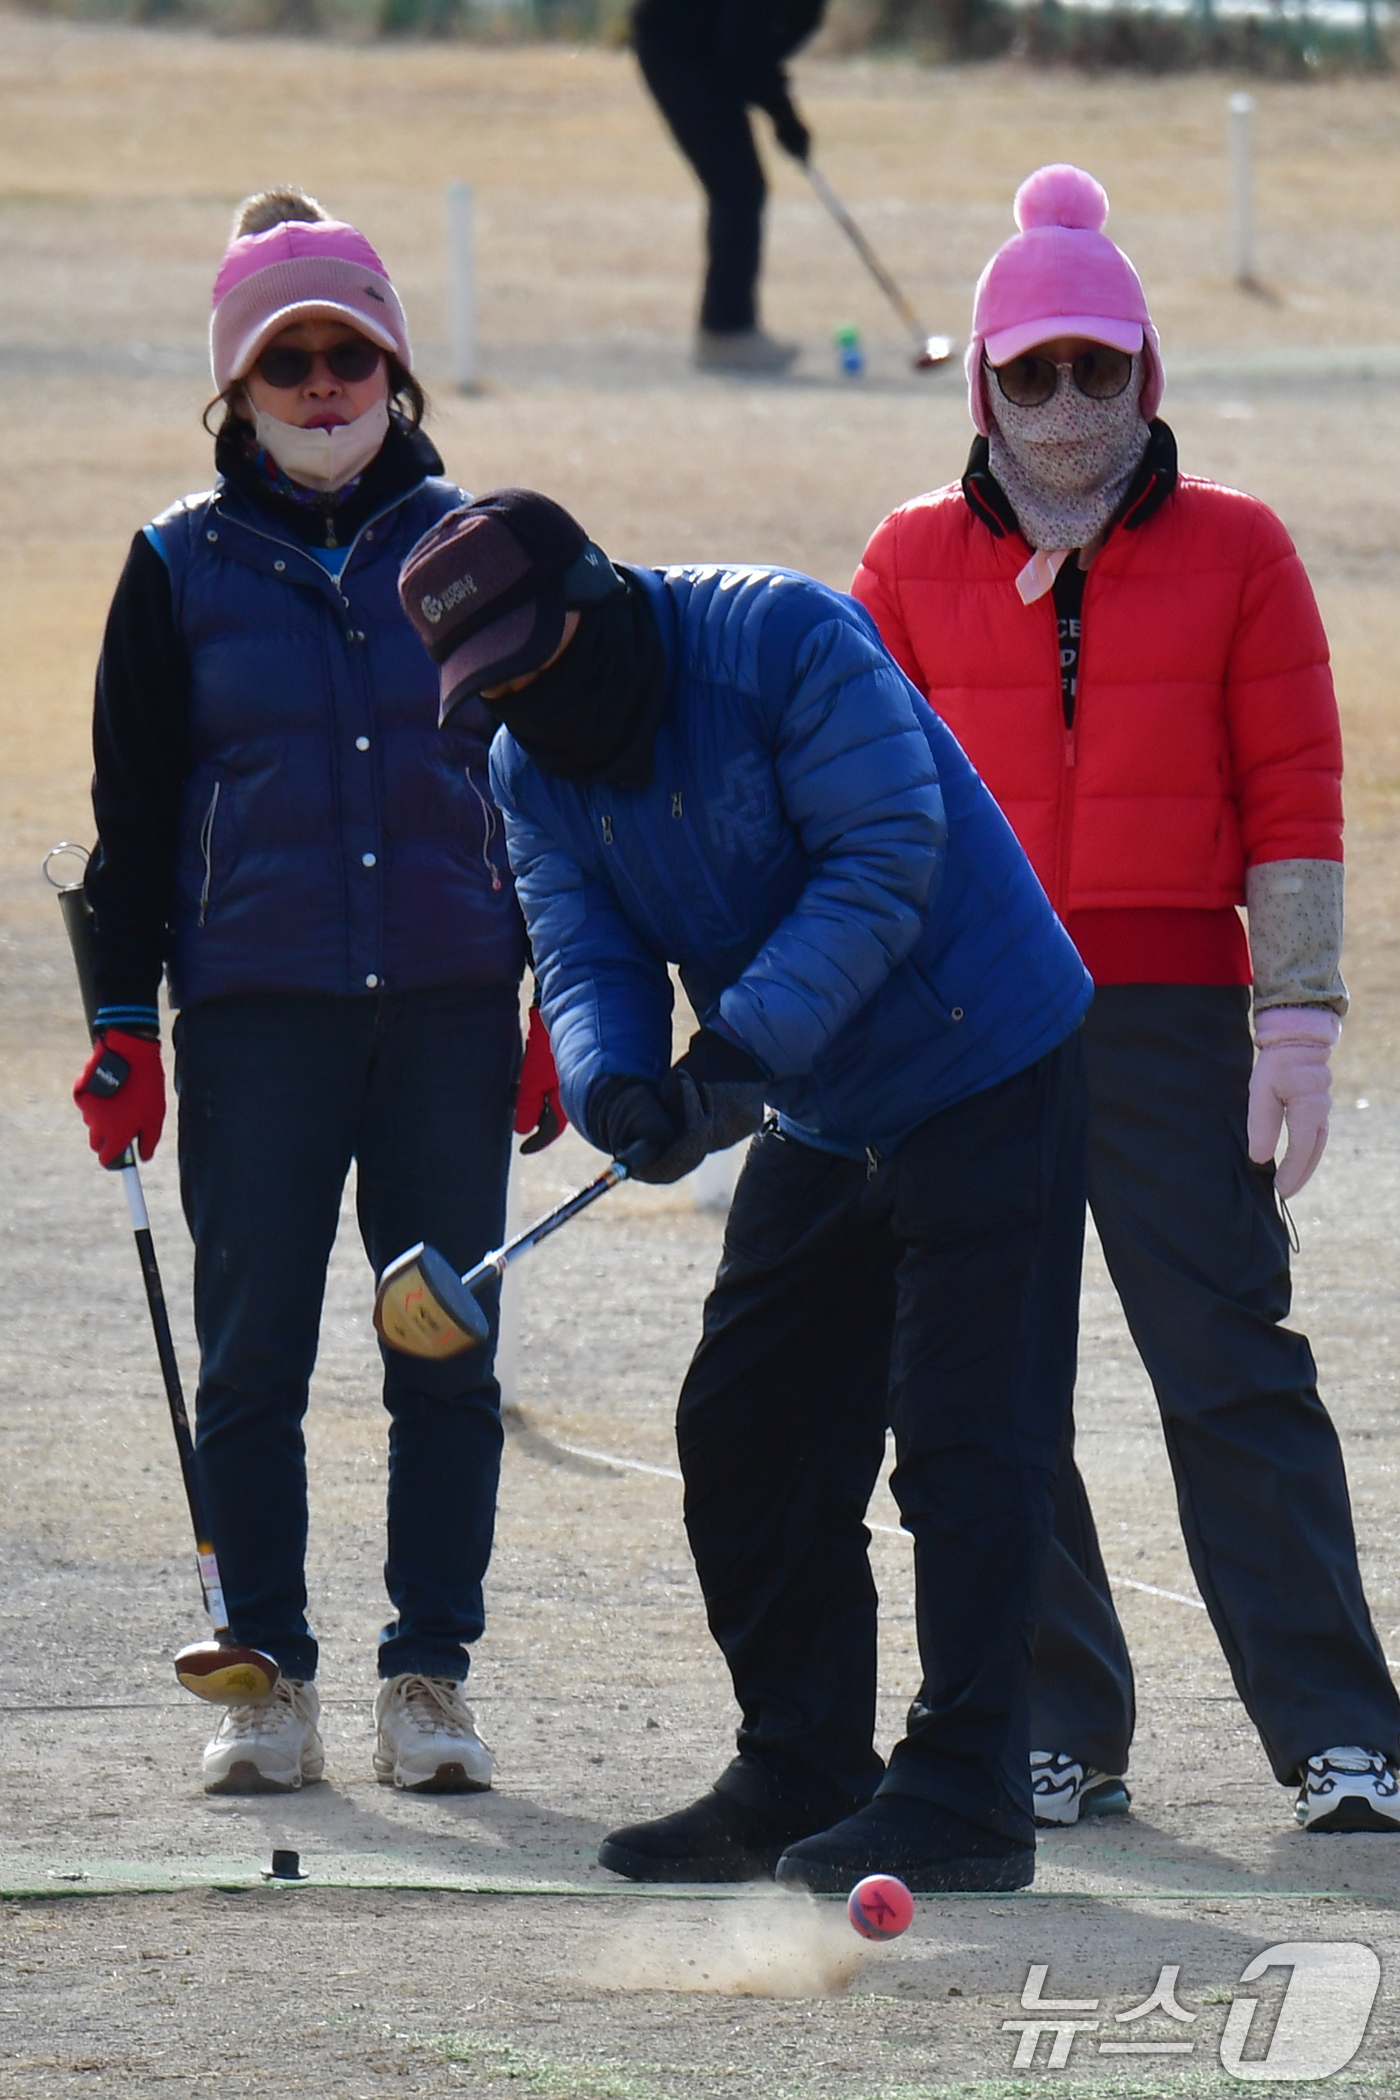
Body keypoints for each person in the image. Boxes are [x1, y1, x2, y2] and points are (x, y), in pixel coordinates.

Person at [395, 486, 1094, 1892]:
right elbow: (582, 948)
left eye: (532, 662)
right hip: (820, 1102)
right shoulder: (532, 766)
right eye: (493, 686)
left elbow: (884, 857)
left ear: (591, 596)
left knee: (966, 1438)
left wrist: (732, 1054)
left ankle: (967, 1788)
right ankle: (802, 1765)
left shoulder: (780, 638)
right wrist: (618, 1085)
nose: (524, 701)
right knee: (746, 1428)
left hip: (986, 1059)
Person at [853, 162, 1400, 1835]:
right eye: (1034, 372)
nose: (1070, 403)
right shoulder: (907, 560)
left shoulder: (1240, 547)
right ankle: (1055, 1723)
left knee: (1230, 1366)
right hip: (974, 1027)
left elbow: (1293, 795)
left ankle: (1343, 1735)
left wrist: (1295, 1017)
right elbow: (859, 811)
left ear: (1148, 371)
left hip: (1171, 1015)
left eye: (1100, 367)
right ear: (984, 383)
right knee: (990, 1386)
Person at [72, 191, 562, 1797]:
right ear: (238, 384)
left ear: (395, 367)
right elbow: (135, 814)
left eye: (351, 352)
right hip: (257, 1013)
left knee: (445, 1352)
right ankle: (266, 1677)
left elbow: (556, 789)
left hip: (446, 1007)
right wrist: (122, 1027)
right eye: (289, 360)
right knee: (252, 1358)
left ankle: (430, 1678)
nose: (325, 384)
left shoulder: (481, 547)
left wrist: (564, 1004)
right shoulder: (174, 566)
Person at [631, 0, 825, 372]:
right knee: (737, 188)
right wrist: (783, 115)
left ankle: (728, 330)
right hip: (675, 46)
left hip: (712, 46)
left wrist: (776, 102)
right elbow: (743, 44)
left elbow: (773, 37)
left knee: (741, 188)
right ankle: (725, 333)